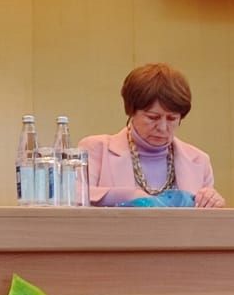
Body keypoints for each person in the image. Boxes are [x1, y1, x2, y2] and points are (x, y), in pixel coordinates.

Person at [78, 63, 225, 208]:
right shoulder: (96, 149)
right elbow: (75, 195)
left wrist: (212, 202)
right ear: (131, 111)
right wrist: (131, 196)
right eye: (153, 117)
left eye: (172, 118)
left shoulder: (200, 161)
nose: (162, 128)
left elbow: (206, 219)